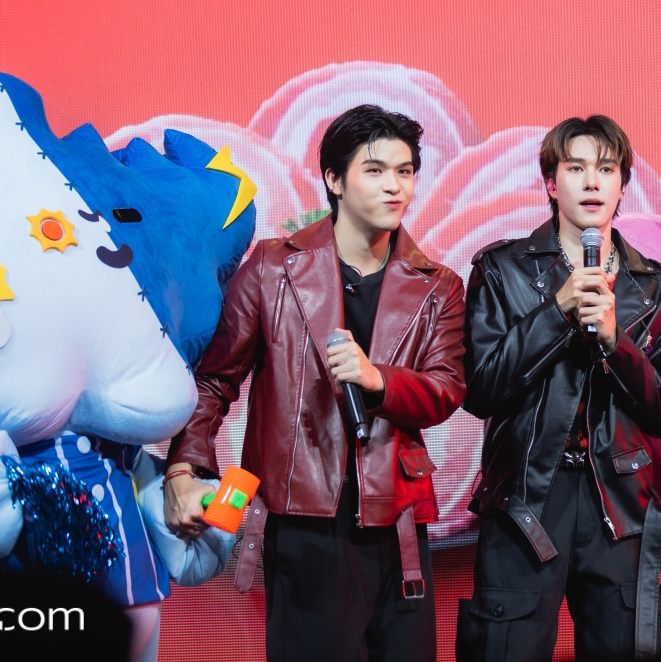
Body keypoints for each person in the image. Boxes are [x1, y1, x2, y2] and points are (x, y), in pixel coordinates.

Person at [163, 105, 467, 662]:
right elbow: (214, 381)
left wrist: (377, 380)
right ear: (335, 179)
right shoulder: (272, 269)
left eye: (405, 171)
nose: (395, 186)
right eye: (375, 170)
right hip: (303, 519)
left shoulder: (437, 285)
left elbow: (446, 389)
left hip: (397, 518)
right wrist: (184, 468)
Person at [456, 116, 661, 662]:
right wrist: (558, 310)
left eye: (605, 170)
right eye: (575, 168)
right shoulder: (501, 270)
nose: (591, 182)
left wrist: (614, 342)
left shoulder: (660, 289)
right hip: (525, 497)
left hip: (619, 503)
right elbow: (480, 389)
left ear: (622, 185)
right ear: (550, 182)